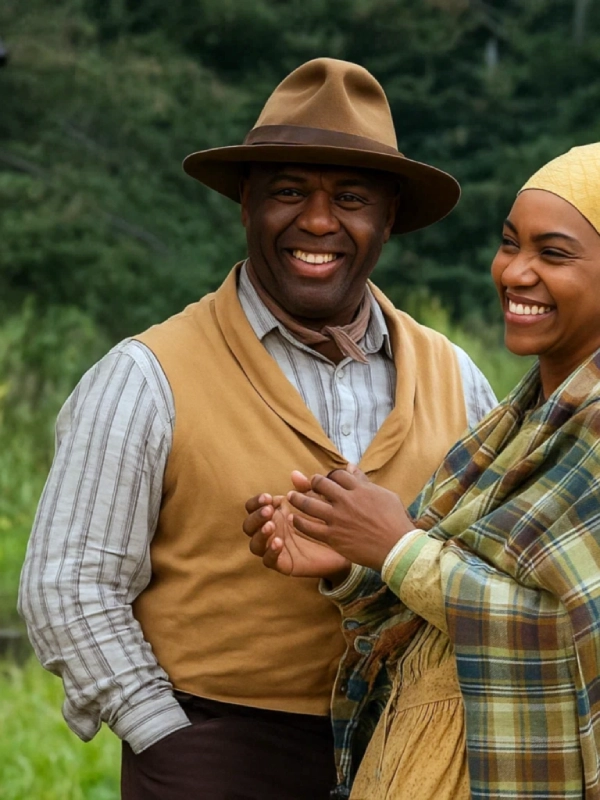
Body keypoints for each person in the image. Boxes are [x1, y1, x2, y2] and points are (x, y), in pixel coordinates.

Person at [18, 58, 496, 800]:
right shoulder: (145, 375)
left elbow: (489, 569)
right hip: (218, 750)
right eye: (287, 192)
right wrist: (163, 733)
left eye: (350, 198)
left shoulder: (457, 378)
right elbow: (69, 586)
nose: (316, 221)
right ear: (246, 205)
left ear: (389, 217)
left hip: (415, 752)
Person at [245, 142, 600, 799]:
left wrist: (398, 547)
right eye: (508, 244)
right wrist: (354, 561)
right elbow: (453, 594)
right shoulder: (517, 423)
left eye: (552, 254)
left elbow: (572, 633)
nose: (516, 273)